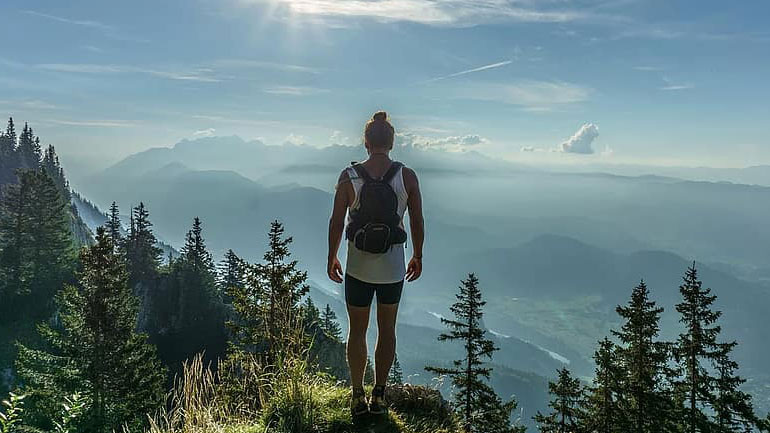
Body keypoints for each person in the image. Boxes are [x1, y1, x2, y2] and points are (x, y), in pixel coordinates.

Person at [327, 111, 424, 417]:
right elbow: (417, 219)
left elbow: (336, 221)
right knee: (387, 330)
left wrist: (332, 256)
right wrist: (417, 254)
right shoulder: (406, 177)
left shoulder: (348, 176)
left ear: (366, 142)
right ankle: (379, 396)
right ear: (391, 142)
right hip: (392, 268)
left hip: (358, 267)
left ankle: (357, 396)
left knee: (357, 331)